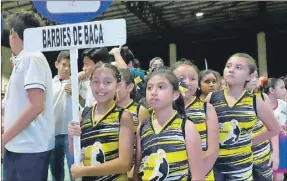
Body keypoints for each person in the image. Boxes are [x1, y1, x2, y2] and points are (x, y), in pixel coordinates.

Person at [205, 53, 280, 180]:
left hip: (241, 169)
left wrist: (250, 142)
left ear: (250, 76)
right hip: (214, 166)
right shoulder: (212, 98)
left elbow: (274, 128)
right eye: (228, 66)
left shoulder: (254, 101)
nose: (231, 69)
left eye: (238, 67)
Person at [2, 11, 54, 181]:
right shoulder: (23, 59)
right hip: (18, 146)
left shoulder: (32, 56)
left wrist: (3, 138)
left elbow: (36, 105)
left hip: (29, 149)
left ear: (13, 34)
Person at [133, 68, 205, 181]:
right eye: (149, 88)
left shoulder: (186, 126)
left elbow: (198, 176)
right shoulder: (142, 127)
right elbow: (138, 170)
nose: (153, 92)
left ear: (175, 94)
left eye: (161, 87)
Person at [68, 63, 134, 181]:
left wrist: (84, 171)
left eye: (107, 82)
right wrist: (71, 137)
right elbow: (75, 154)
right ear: (90, 84)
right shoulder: (83, 115)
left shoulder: (123, 116)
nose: (101, 87)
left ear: (117, 86)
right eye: (96, 82)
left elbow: (125, 163)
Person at [172, 60, 219, 180]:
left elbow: (212, 151)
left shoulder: (206, 108)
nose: (187, 83)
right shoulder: (161, 109)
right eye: (181, 78)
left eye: (193, 79)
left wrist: (196, 176)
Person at [116, 69, 150, 180]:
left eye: (118, 84)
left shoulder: (140, 111)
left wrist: (134, 170)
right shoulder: (104, 111)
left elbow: (145, 146)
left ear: (130, 87)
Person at [246, 70, 276, 181]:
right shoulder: (229, 101)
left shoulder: (263, 98)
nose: (254, 80)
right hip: (240, 160)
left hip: (263, 156)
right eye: (251, 76)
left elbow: (273, 128)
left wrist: (275, 152)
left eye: (256, 76)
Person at [50, 51, 74, 181]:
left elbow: (85, 104)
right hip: (53, 133)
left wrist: (76, 94)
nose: (67, 68)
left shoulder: (77, 83)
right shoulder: (49, 84)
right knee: (55, 170)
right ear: (56, 64)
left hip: (71, 134)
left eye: (70, 65)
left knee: (74, 169)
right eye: (64, 64)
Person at [261, 78, 287, 181]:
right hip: (265, 143)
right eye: (282, 87)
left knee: (279, 174)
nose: (285, 90)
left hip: (281, 143)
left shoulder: (283, 105)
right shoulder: (260, 105)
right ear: (271, 90)